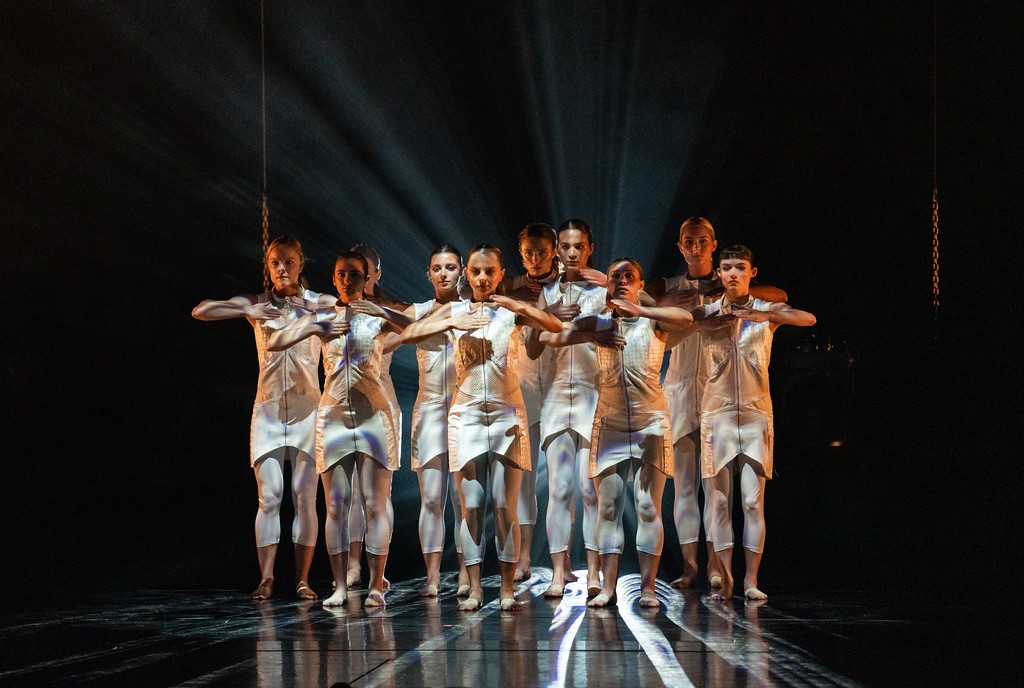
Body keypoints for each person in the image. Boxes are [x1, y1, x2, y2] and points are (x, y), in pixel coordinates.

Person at [401, 244, 562, 611]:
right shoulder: (454, 310)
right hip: (467, 415)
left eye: (490, 271)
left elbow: (554, 325)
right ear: (466, 276)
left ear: (501, 274)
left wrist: (522, 307)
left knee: (504, 506)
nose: (483, 278)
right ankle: (474, 588)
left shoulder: (509, 311)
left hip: (507, 413)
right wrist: (448, 321)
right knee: (471, 505)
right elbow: (408, 334)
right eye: (476, 272)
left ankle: (506, 588)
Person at [540, 258, 692, 608]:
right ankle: (607, 587)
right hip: (609, 422)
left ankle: (648, 588)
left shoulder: (655, 323)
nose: (622, 281)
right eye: (615, 278)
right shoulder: (600, 322)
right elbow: (548, 336)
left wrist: (643, 308)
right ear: (606, 285)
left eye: (630, 277)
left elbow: (685, 318)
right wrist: (590, 331)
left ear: (640, 283)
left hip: (650, 422)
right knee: (608, 507)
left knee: (646, 506)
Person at [645, 217, 787, 590]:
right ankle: (691, 565)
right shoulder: (669, 286)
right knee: (686, 483)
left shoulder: (728, 282)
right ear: (680, 246)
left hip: (716, 391)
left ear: (713, 244)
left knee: (716, 488)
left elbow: (777, 295)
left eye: (702, 241)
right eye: (688, 241)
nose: (695, 247)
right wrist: (681, 302)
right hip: (678, 388)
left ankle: (715, 564)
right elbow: (643, 301)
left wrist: (725, 288)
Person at [267, 250, 411, 608]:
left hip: (374, 415)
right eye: (341, 274)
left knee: (375, 505)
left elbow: (413, 328)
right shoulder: (322, 316)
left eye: (355, 275)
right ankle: (341, 586)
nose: (347, 280)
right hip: (332, 416)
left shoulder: (376, 315)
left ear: (367, 279)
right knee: (335, 505)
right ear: (334, 279)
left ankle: (376, 585)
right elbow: (274, 341)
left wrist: (380, 311)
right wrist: (317, 326)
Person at [192, 236, 331, 601]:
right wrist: (244, 312)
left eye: (288, 262)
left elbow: (342, 311)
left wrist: (313, 314)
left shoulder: (318, 302)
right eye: (274, 263)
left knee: (304, 497)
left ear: (301, 263)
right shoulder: (258, 302)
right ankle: (266, 579)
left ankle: (302, 579)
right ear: (268, 267)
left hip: (306, 410)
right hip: (268, 410)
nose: (281, 268)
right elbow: (202, 310)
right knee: (269, 497)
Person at [692, 245, 815, 600]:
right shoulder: (707, 312)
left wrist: (765, 317)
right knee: (718, 501)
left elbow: (808, 319)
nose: (732, 273)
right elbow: (669, 332)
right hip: (717, 415)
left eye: (740, 267)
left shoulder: (765, 310)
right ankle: (725, 575)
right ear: (718, 273)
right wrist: (702, 319)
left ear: (752, 272)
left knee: (751, 502)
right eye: (726, 267)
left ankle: (751, 579)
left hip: (757, 415)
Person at [525, 219, 604, 598]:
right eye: (567, 246)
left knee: (590, 491)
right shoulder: (549, 292)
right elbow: (532, 345)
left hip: (592, 394)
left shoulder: (604, 289)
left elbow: (626, 325)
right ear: (558, 251)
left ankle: (593, 573)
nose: (573, 253)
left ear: (589, 249)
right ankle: (559, 572)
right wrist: (551, 313)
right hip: (558, 396)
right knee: (558, 488)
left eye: (580, 246)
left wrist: (607, 283)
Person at [404, 244, 471, 597]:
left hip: (465, 408)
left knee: (463, 501)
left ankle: (464, 571)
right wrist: (446, 319)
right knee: (431, 498)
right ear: (428, 273)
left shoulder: (473, 309)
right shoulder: (420, 311)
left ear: (462, 270)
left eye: (450, 267)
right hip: (429, 410)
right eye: (436, 268)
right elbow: (405, 334)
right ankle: (432, 575)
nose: (443, 274)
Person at [344, 244, 409, 588]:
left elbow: (414, 327)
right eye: (350, 271)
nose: (356, 277)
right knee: (351, 491)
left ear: (375, 275)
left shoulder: (390, 310)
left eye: (363, 271)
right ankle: (352, 563)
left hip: (382, 401)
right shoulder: (337, 310)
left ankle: (377, 570)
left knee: (378, 495)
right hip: (345, 405)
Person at [504, 224, 561, 581]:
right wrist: (510, 287)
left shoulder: (567, 285)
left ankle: (562, 563)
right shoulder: (509, 288)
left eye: (542, 252)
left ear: (555, 249)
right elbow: (468, 289)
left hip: (560, 387)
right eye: (529, 253)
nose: (536, 259)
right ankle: (524, 557)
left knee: (561, 481)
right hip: (521, 387)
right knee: (523, 477)